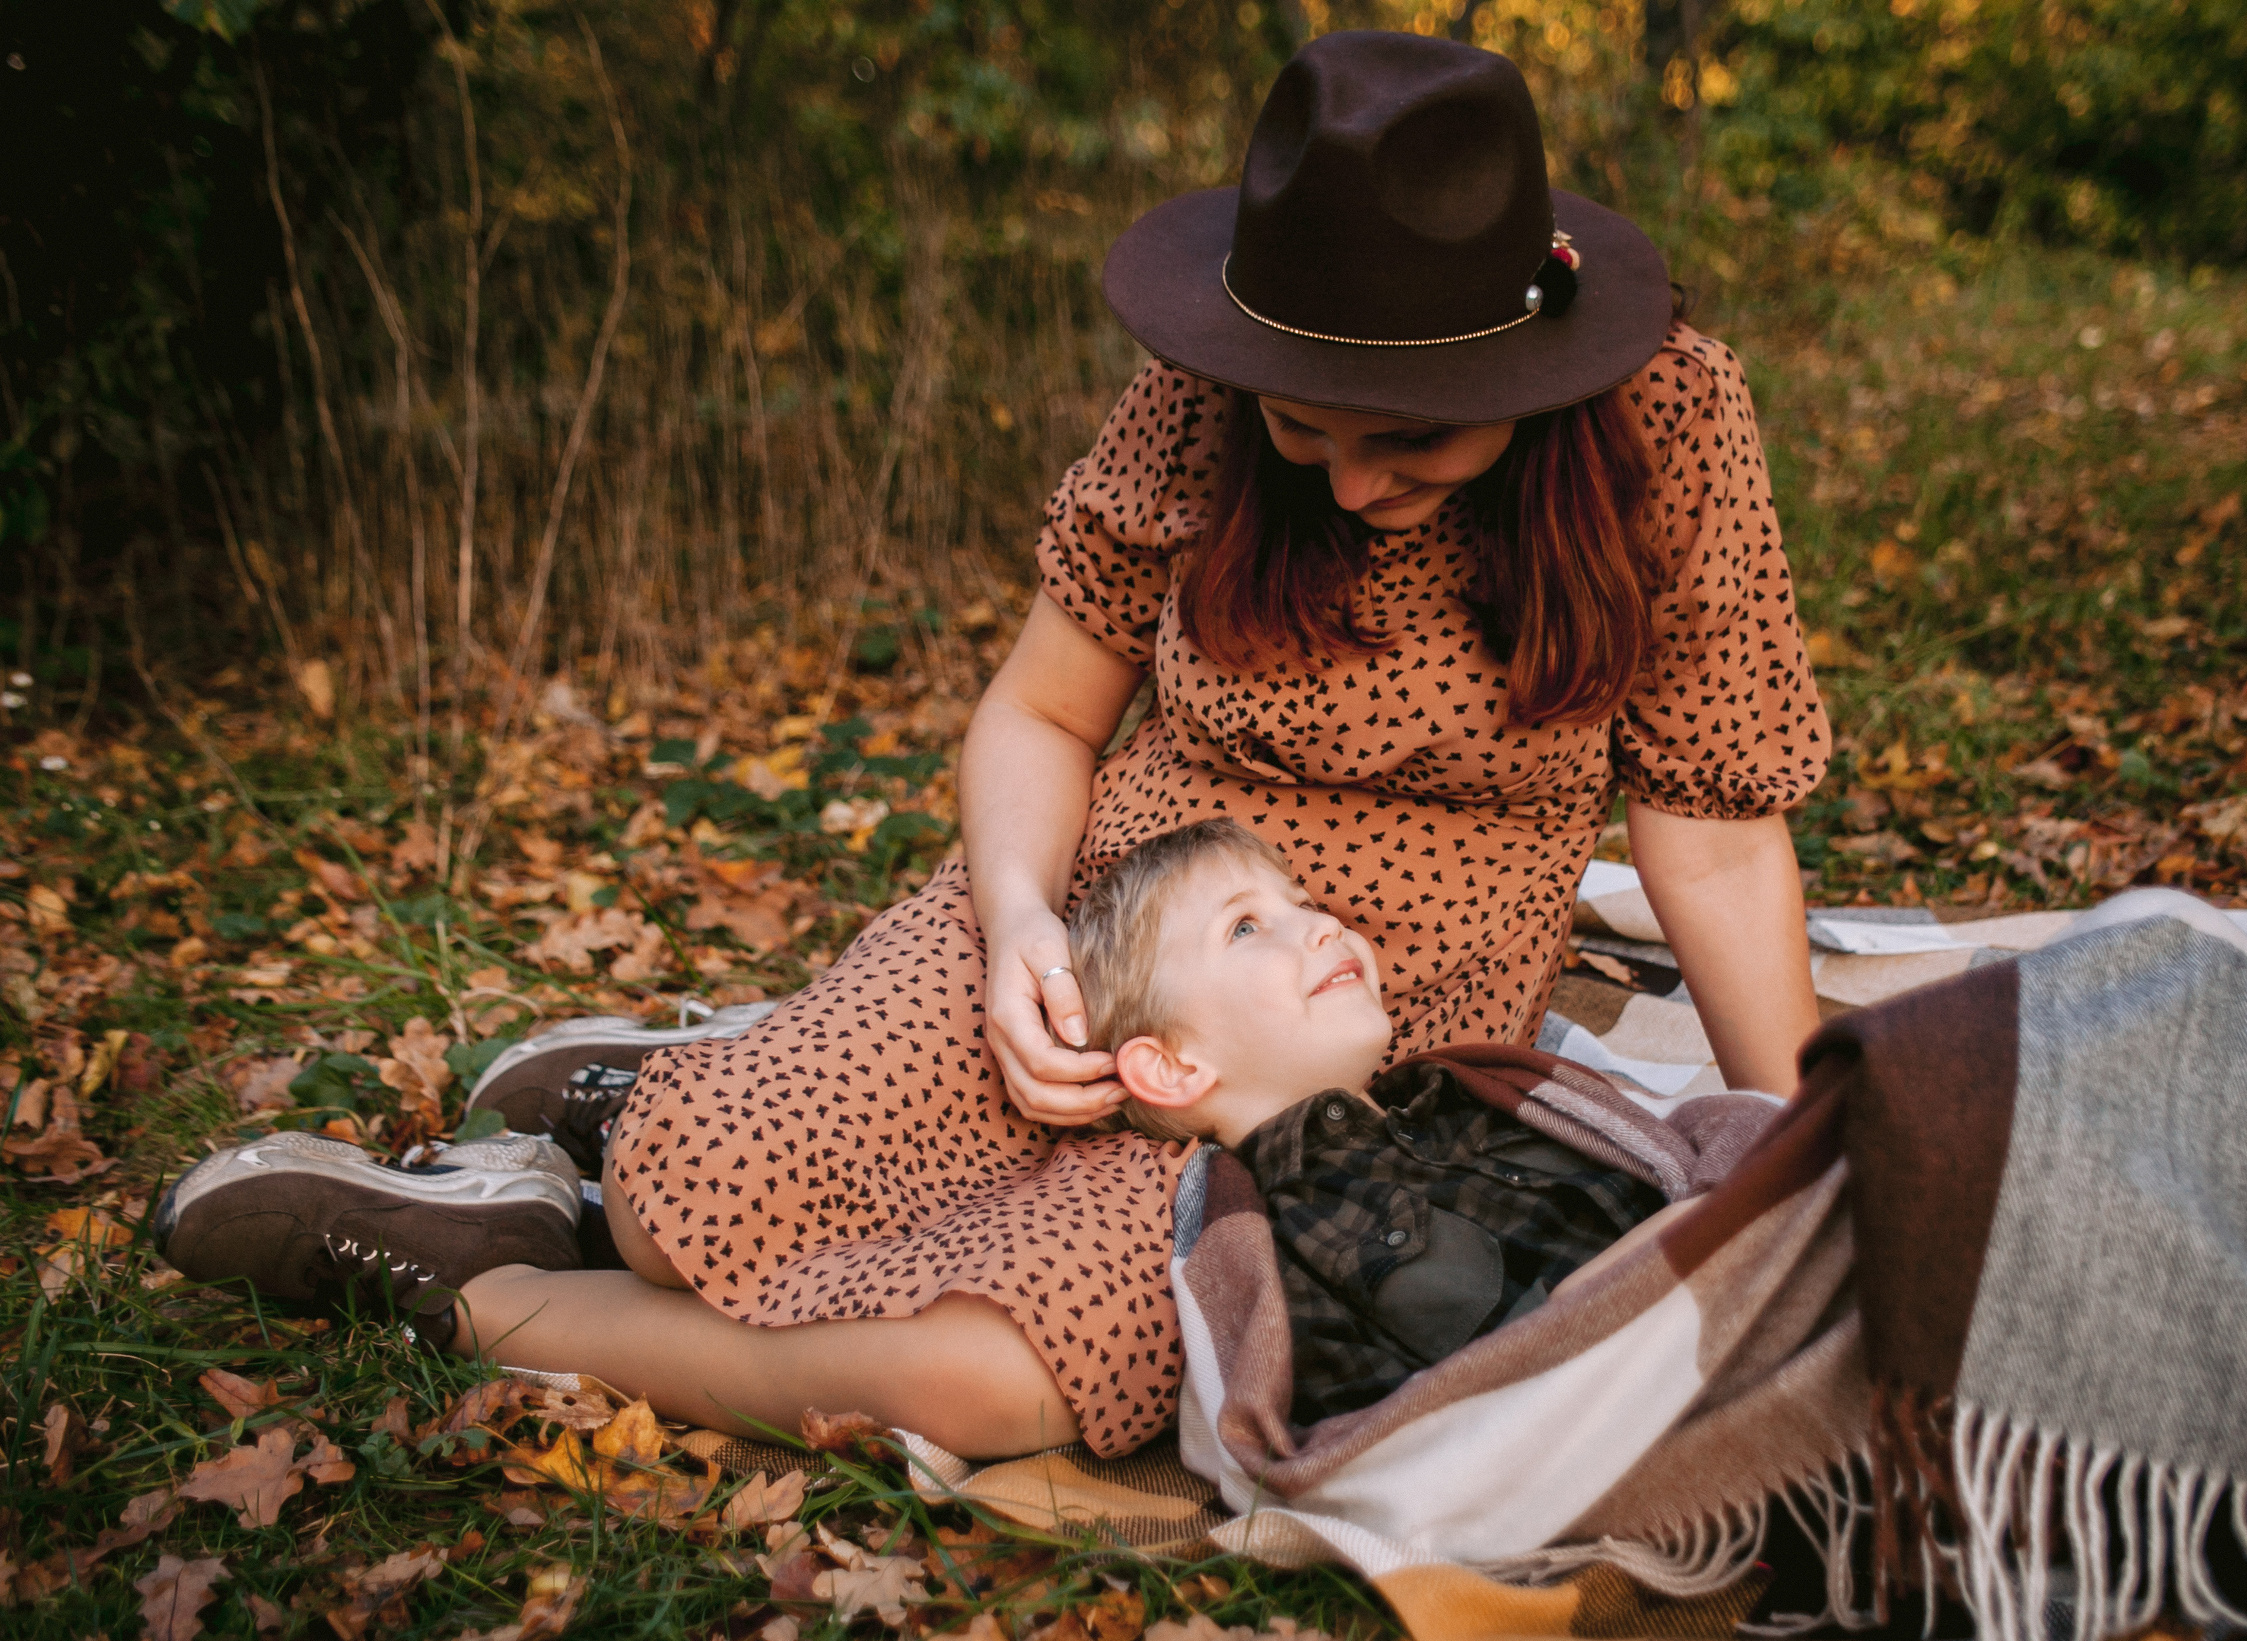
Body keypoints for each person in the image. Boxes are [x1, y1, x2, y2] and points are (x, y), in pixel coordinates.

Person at [153, 30, 1829, 1463]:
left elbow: (1719, 824)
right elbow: (1042, 704)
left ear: (1531, 363)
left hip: (1352, 1022)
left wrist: (1810, 1149)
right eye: (1302, 427)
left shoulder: (1666, 426)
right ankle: (604, 1146)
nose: (1345, 485)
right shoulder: (1205, 385)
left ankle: (496, 1292)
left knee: (1011, 1372)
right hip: (1110, 902)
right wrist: (1024, 920)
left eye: (1413, 443)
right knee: (694, 1199)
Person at [1065, 817, 1668, 1424]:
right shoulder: (1287, 1242)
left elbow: (1678, 1149)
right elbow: (1390, 1438)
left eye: (1303, 903)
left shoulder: (1464, 1094)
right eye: (1244, 927)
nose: (1325, 924)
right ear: (1172, 1067)